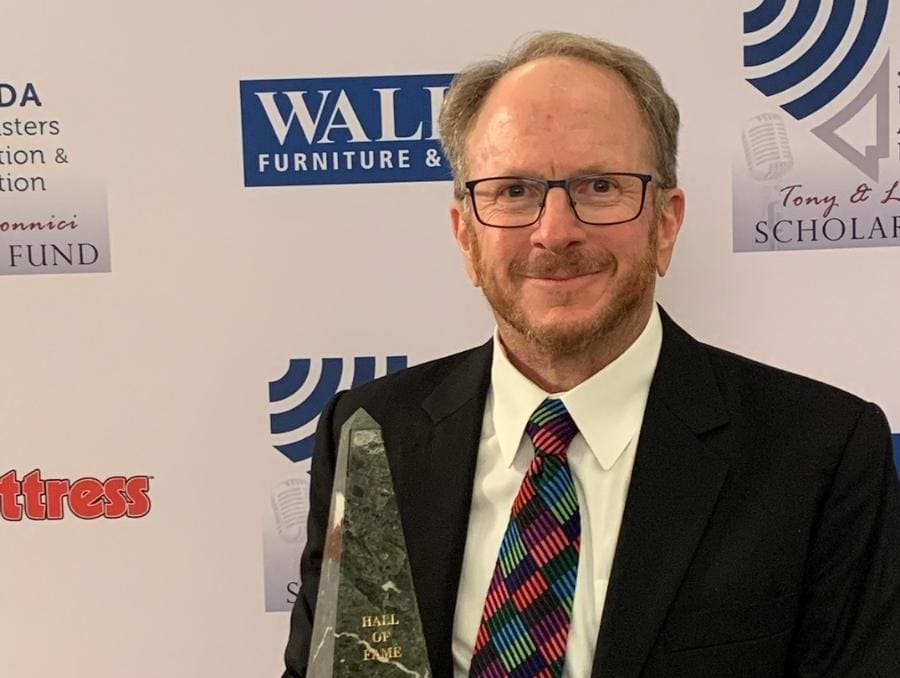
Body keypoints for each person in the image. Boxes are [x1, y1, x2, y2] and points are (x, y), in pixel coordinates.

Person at [283, 31, 900, 677]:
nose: (554, 231)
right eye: (513, 190)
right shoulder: (373, 430)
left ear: (664, 223)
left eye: (600, 185)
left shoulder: (817, 451)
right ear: (466, 235)